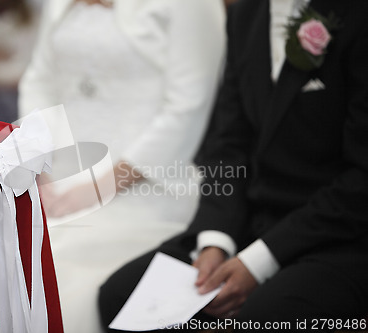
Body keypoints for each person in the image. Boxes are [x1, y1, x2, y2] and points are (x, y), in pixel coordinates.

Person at [99, 0, 368, 331]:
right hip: (248, 223)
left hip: (337, 236)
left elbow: (361, 177)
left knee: (262, 320)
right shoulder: (246, 12)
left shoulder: (357, 14)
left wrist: (258, 262)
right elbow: (228, 144)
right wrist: (216, 242)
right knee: (122, 297)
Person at [18, 0, 226, 332]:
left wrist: (97, 189)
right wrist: (41, 171)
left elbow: (188, 106)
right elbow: (38, 81)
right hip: (53, 179)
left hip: (145, 189)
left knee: (57, 278)